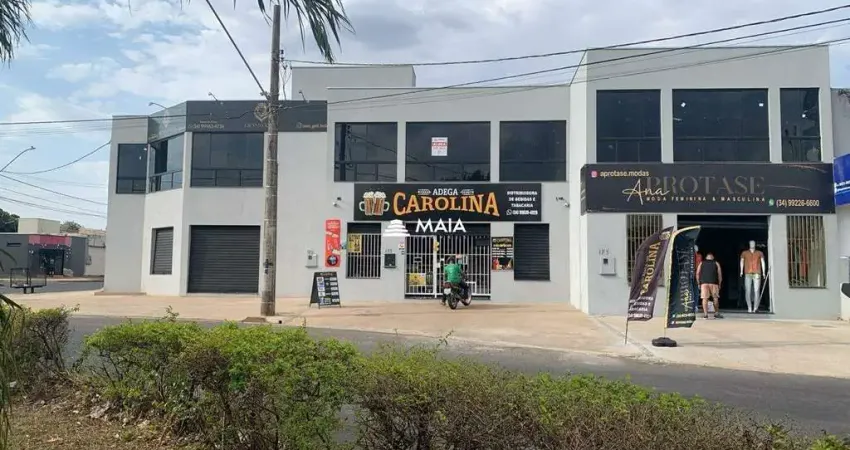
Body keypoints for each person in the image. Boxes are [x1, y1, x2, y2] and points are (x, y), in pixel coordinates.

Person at [696, 252, 724, 319]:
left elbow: (697, 273)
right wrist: (720, 284)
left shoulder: (701, 263)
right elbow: (719, 274)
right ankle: (716, 313)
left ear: (706, 258)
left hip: (704, 283)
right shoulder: (716, 263)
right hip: (714, 283)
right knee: (715, 298)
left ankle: (705, 314)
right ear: (713, 258)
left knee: (704, 298)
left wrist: (698, 283)